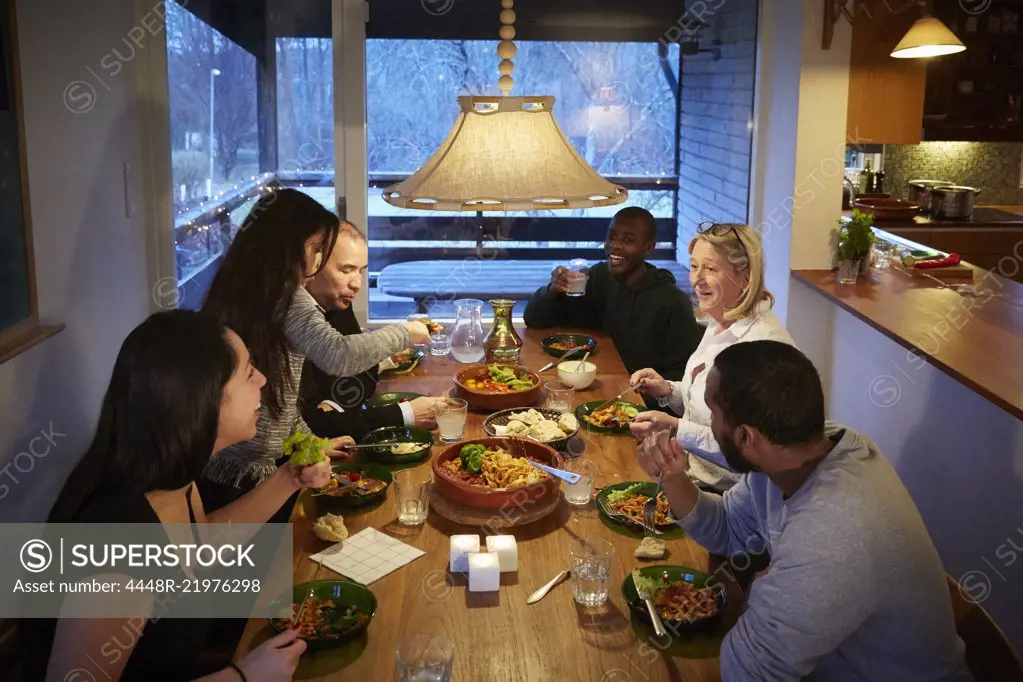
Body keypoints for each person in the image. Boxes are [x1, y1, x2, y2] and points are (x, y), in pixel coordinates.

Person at [637, 341, 972, 682]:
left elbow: (749, 670)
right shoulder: (799, 452)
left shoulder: (833, 531)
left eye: (713, 410)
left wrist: (763, 588)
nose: (707, 421)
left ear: (745, 437)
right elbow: (727, 529)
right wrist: (673, 476)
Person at [23, 310, 327, 682]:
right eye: (249, 372)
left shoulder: (173, 481)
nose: (263, 379)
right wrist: (243, 677)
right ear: (202, 398)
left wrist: (289, 479)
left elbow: (196, 546)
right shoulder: (118, 550)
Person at [200, 189, 430, 514]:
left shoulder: (243, 293)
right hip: (244, 474)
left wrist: (310, 442)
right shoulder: (289, 299)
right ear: (287, 248)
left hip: (233, 466)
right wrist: (405, 333)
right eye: (317, 249)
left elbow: (283, 396)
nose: (320, 260)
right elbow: (339, 355)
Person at [630, 223, 795, 491]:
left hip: (733, 501)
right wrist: (668, 390)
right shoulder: (721, 320)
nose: (696, 279)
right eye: (694, 266)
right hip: (689, 476)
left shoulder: (762, 349)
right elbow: (709, 407)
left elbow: (751, 452)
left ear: (745, 277)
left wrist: (677, 428)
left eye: (711, 268)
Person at [523, 206, 702, 405]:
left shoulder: (672, 301)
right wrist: (553, 290)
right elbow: (534, 319)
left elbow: (686, 378)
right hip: (599, 383)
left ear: (649, 248)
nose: (614, 246)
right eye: (612, 237)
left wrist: (641, 398)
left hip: (642, 403)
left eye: (627, 240)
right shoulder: (598, 278)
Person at [301, 221, 448, 438]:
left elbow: (355, 380)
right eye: (346, 269)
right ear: (312, 264)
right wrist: (405, 415)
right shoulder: (293, 325)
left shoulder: (337, 303)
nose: (357, 284)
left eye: (361, 271)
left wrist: (375, 362)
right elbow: (315, 428)